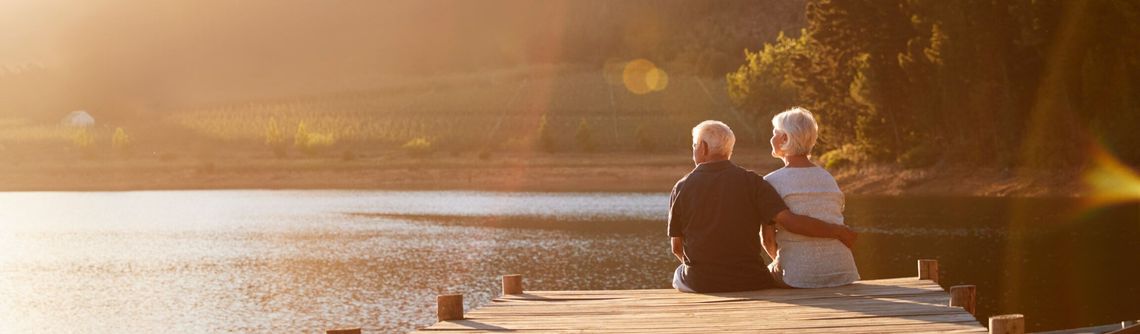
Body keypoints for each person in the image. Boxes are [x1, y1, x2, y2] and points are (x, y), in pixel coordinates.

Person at [669, 120, 856, 293]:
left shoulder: (681, 187)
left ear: (703, 148)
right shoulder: (754, 182)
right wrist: (837, 231)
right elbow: (788, 221)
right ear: (729, 150)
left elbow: (677, 248)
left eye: (694, 146)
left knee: (678, 275)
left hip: (702, 282)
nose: (694, 150)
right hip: (751, 279)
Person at [762, 107, 860, 288]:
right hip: (842, 272)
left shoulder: (770, 182)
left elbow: (767, 239)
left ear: (785, 139)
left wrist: (782, 262)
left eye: (775, 133)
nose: (771, 138)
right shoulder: (828, 178)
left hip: (798, 277)